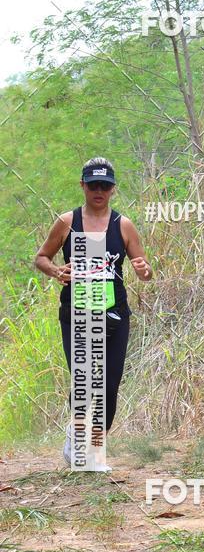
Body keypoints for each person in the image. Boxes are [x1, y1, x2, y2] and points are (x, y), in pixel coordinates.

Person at [34, 157, 152, 470]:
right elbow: (41, 258)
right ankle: (81, 444)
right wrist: (57, 270)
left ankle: (93, 445)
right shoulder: (66, 222)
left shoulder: (123, 225)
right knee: (85, 380)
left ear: (113, 189)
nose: (99, 190)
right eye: (93, 184)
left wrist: (144, 269)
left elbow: (144, 269)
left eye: (106, 185)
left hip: (114, 314)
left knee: (109, 385)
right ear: (83, 186)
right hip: (76, 313)